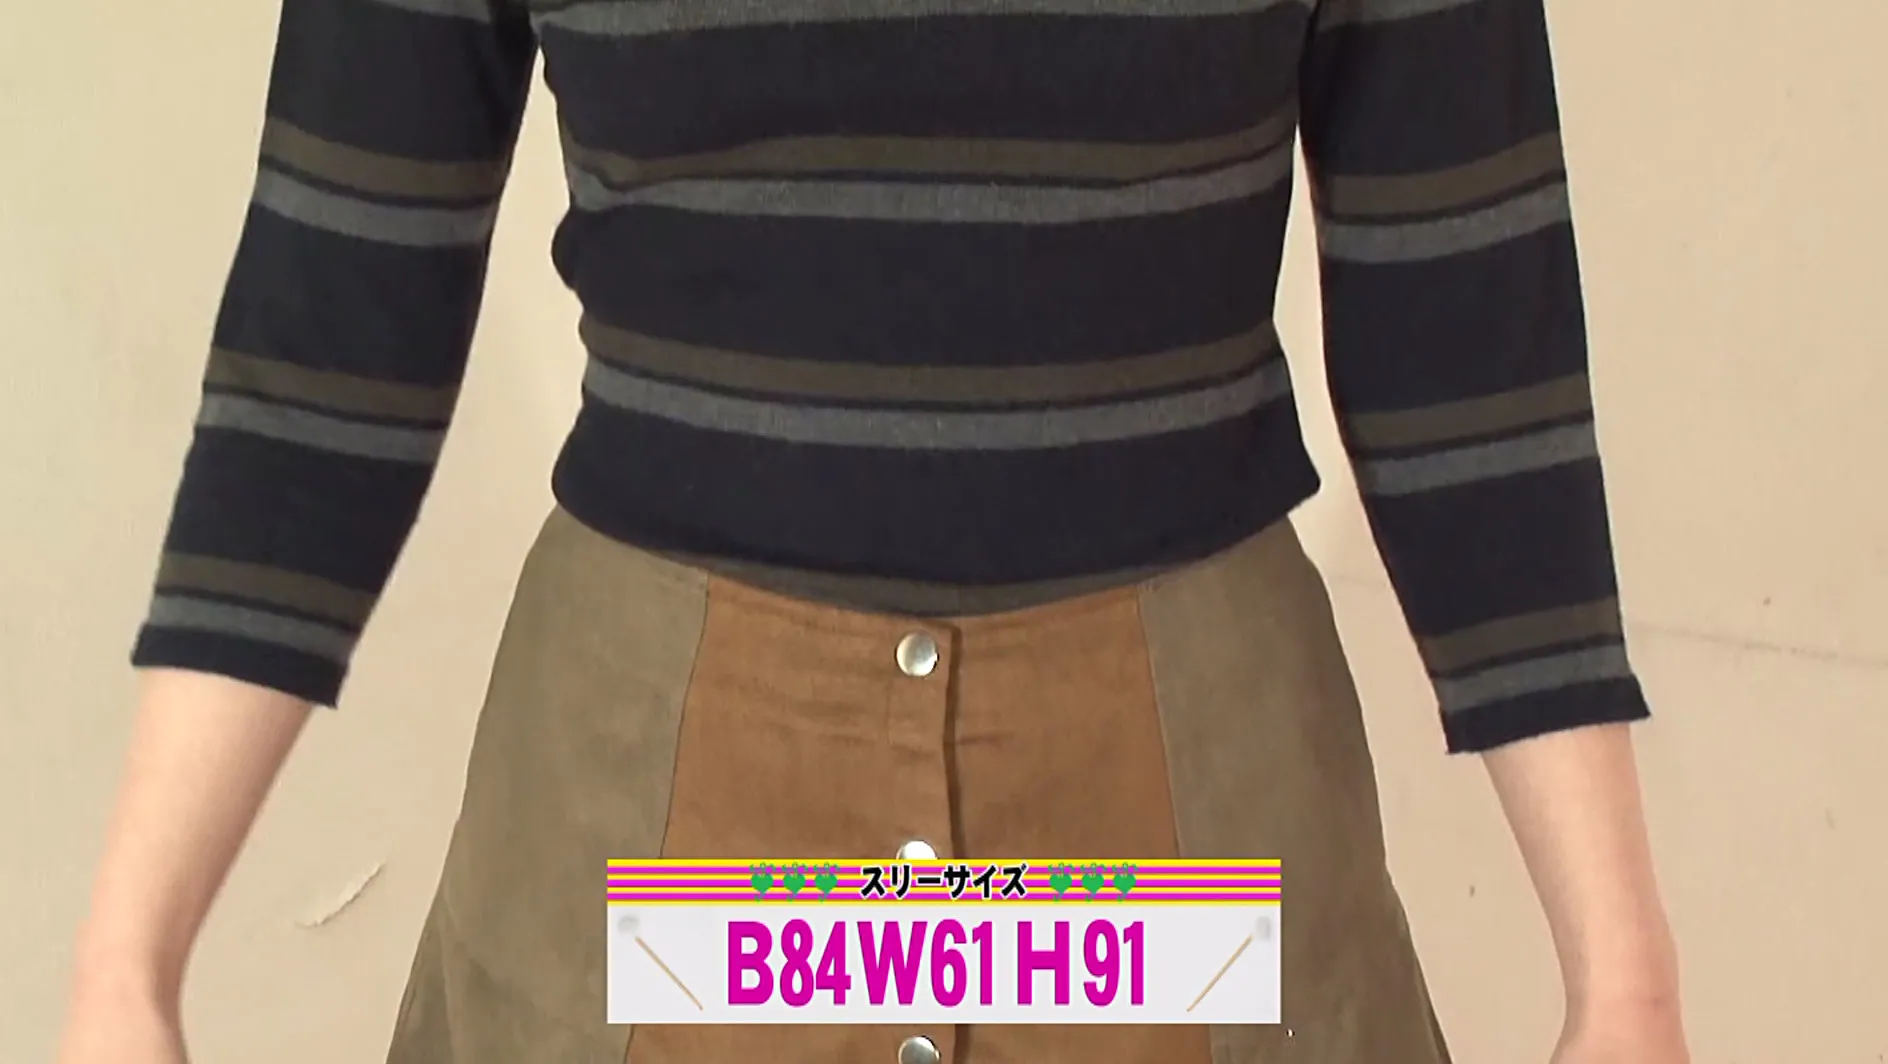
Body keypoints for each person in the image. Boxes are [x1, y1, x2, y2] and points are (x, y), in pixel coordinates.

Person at [56, 0, 1691, 1061]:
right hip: (653, 803)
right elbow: (330, 330)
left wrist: (1623, 978)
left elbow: (1473, 338)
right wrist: (127, 964)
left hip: (1187, 810)